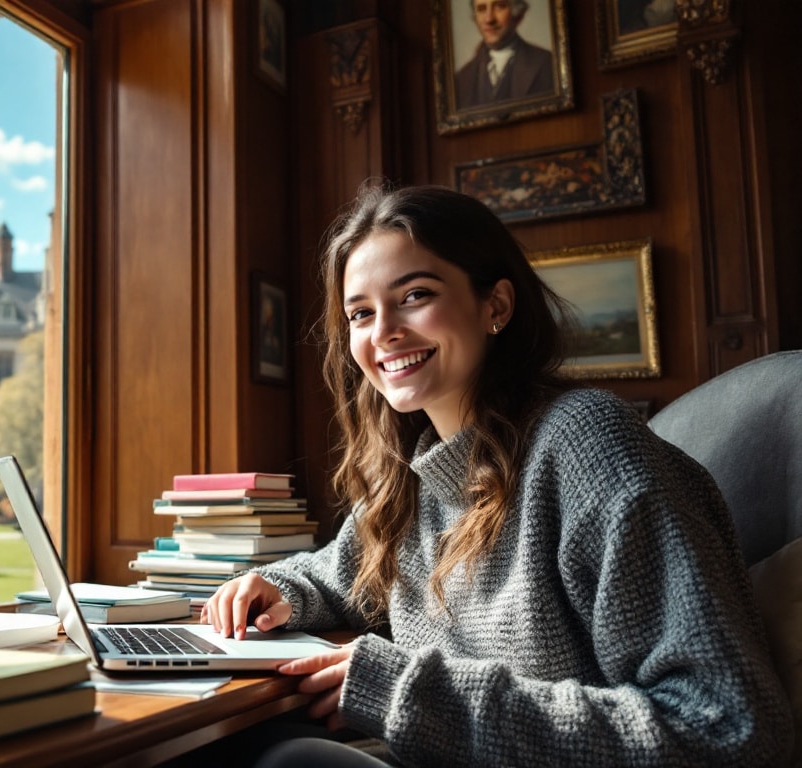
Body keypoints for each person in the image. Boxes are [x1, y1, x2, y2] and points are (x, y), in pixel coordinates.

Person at [202, 184, 792, 766]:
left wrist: (413, 694)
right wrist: (277, 588)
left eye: (414, 295)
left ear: (496, 306)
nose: (382, 332)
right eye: (361, 313)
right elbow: (336, 573)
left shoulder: (586, 445)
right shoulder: (419, 470)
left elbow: (730, 729)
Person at [453, 0, 554, 110]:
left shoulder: (547, 64)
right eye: (481, 9)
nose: (489, 19)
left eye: (499, 7)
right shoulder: (461, 80)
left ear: (517, 15)